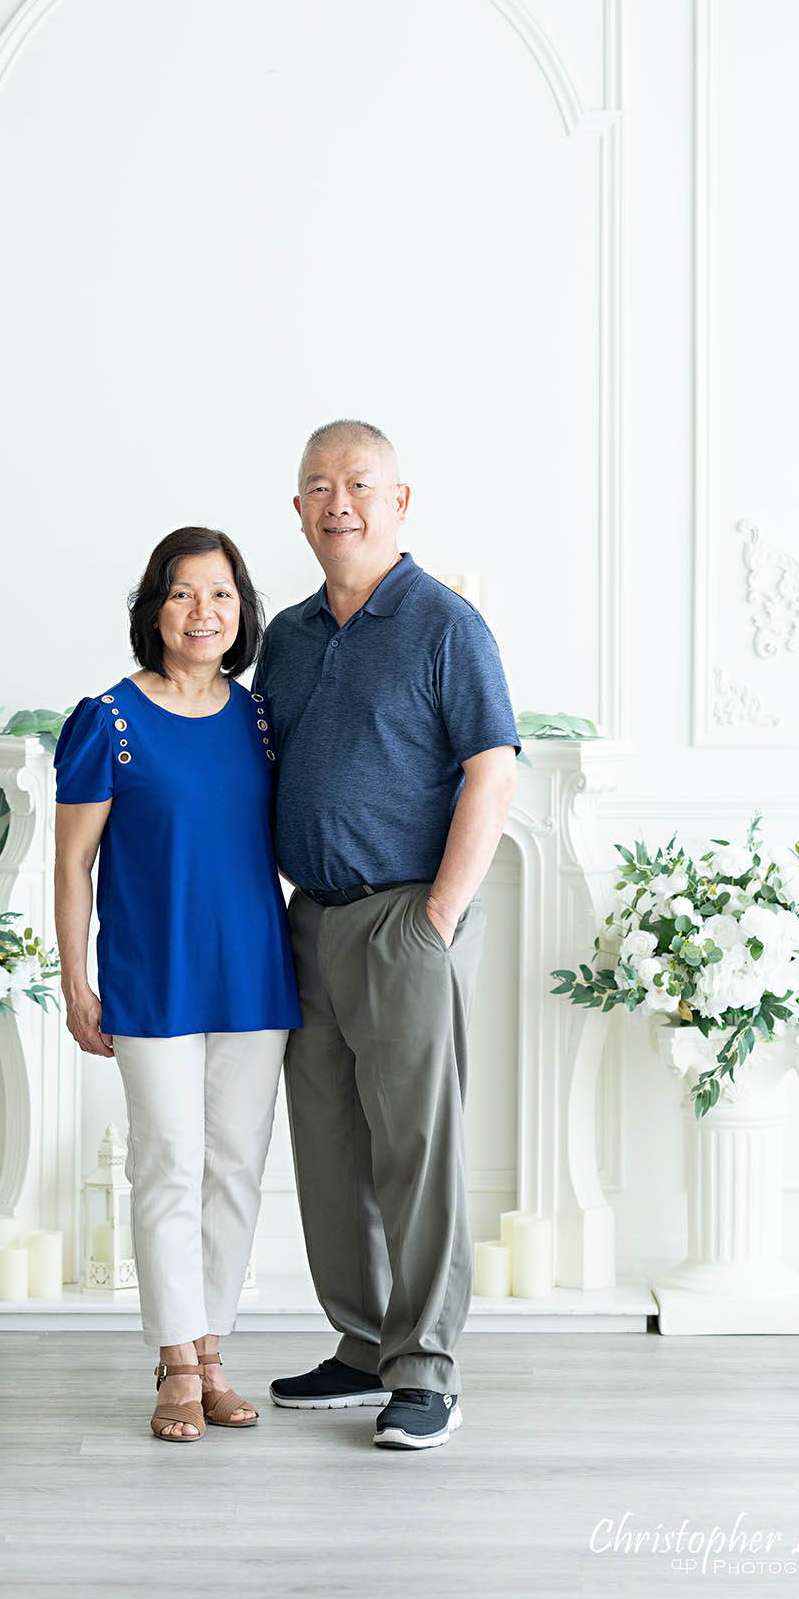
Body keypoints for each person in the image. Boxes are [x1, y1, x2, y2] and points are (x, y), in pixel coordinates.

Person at [254, 419, 521, 1451]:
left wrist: (438, 917)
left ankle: (425, 1367)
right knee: (326, 1146)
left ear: (398, 501)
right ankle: (360, 1345)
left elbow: (490, 771)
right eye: (317, 485)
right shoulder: (284, 634)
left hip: (407, 919)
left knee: (416, 1150)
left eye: (358, 483)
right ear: (297, 511)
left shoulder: (444, 624)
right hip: (308, 920)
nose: (338, 502)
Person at [52, 526, 301, 1443]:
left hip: (254, 972)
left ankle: (212, 1349)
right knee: (168, 1167)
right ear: (154, 609)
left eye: (223, 595)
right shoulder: (108, 720)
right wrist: (76, 980)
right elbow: (72, 866)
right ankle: (173, 1363)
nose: (206, 612)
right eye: (185, 594)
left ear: (243, 613)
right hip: (151, 974)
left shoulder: (263, 720)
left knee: (235, 1170)